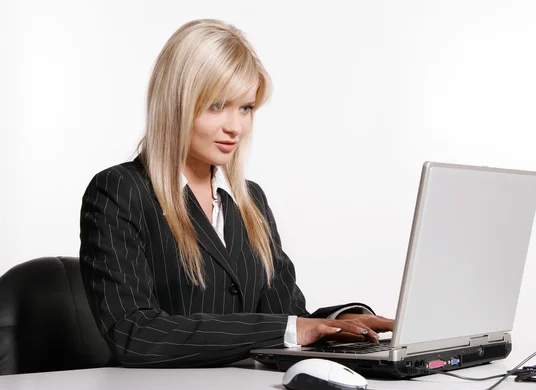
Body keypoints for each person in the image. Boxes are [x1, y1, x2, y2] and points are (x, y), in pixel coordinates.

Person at [79, 18, 394, 368]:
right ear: (176, 103)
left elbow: (285, 316)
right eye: (217, 106)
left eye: (245, 108)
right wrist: (290, 329)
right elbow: (133, 333)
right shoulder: (121, 191)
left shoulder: (249, 201)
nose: (235, 127)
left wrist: (341, 322)